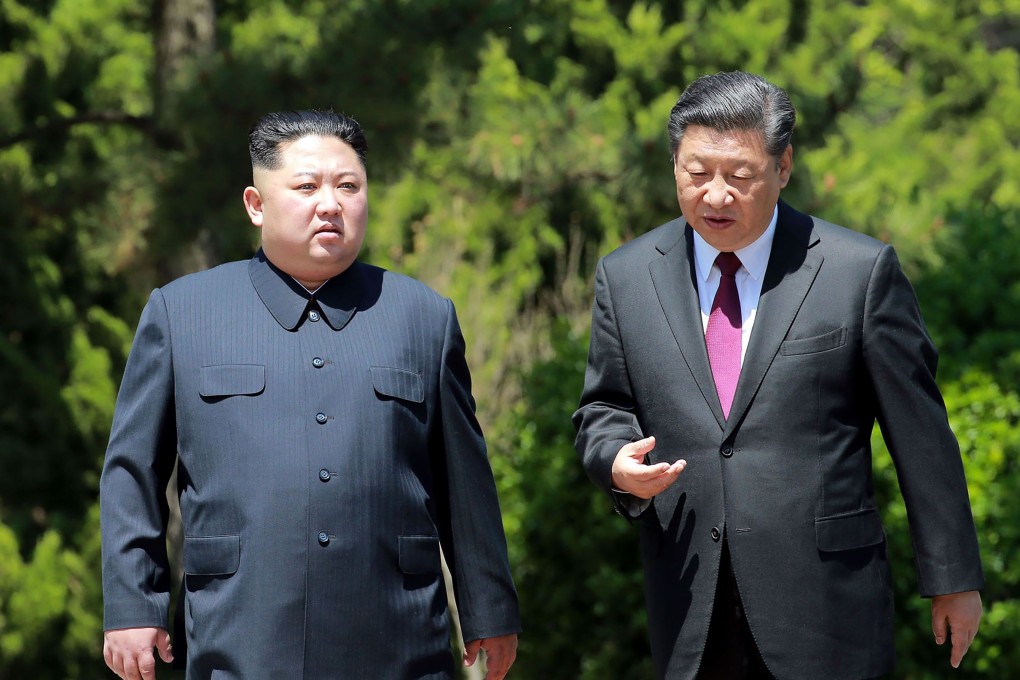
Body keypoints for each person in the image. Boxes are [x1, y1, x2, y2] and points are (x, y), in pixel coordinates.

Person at [572, 71, 983, 680]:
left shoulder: (857, 271)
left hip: (826, 610)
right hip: (690, 604)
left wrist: (953, 578)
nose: (715, 196)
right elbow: (602, 408)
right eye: (696, 173)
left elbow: (920, 434)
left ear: (783, 166)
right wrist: (614, 461)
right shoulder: (627, 276)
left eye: (739, 176)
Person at [100, 109, 520, 680]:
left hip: (397, 637)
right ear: (256, 204)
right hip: (240, 631)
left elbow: (463, 480)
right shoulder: (183, 312)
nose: (331, 204)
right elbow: (133, 470)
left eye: (349, 186)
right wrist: (133, 604)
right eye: (306, 187)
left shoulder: (423, 316)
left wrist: (489, 607)